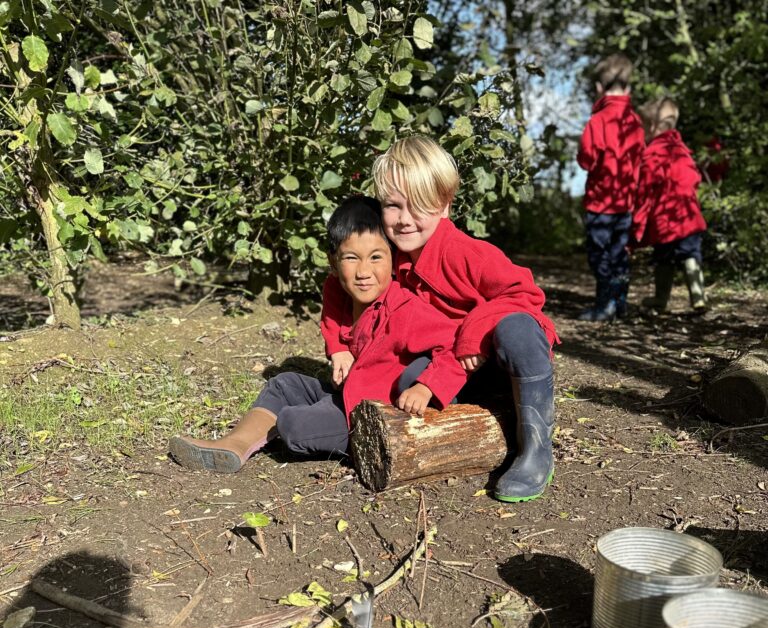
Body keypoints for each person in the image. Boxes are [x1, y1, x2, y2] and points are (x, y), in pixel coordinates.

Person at [322, 135, 560, 503]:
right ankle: (490, 414)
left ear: (445, 205)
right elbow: (338, 283)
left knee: (517, 328)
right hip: (453, 364)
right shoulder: (391, 257)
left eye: (418, 206)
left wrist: (474, 331)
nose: (404, 220)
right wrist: (339, 347)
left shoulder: (466, 254)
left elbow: (526, 293)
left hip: (497, 357)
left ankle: (535, 449)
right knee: (408, 375)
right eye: (392, 206)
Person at [169, 197, 466, 472]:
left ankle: (356, 443)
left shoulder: (405, 309)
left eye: (376, 257)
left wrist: (427, 387)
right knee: (284, 384)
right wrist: (338, 349)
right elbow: (332, 319)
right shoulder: (338, 290)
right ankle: (233, 445)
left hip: (370, 414)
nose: (364, 271)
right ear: (333, 262)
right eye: (351, 258)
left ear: (394, 257)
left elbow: (454, 344)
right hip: (347, 392)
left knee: (293, 424)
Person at [577, 53, 645, 321]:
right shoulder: (636, 122)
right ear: (628, 88)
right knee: (619, 254)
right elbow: (640, 159)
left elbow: (585, 160)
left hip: (600, 203)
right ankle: (619, 303)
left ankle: (605, 304)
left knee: (599, 255)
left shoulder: (597, 121)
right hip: (625, 203)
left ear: (598, 88)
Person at [633, 97, 707, 312]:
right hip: (689, 216)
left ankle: (661, 298)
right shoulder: (682, 150)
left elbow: (645, 191)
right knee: (690, 253)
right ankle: (698, 296)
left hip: (664, 219)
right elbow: (694, 179)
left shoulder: (654, 153)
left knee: (664, 258)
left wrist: (637, 225)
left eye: (645, 128)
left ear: (654, 126)